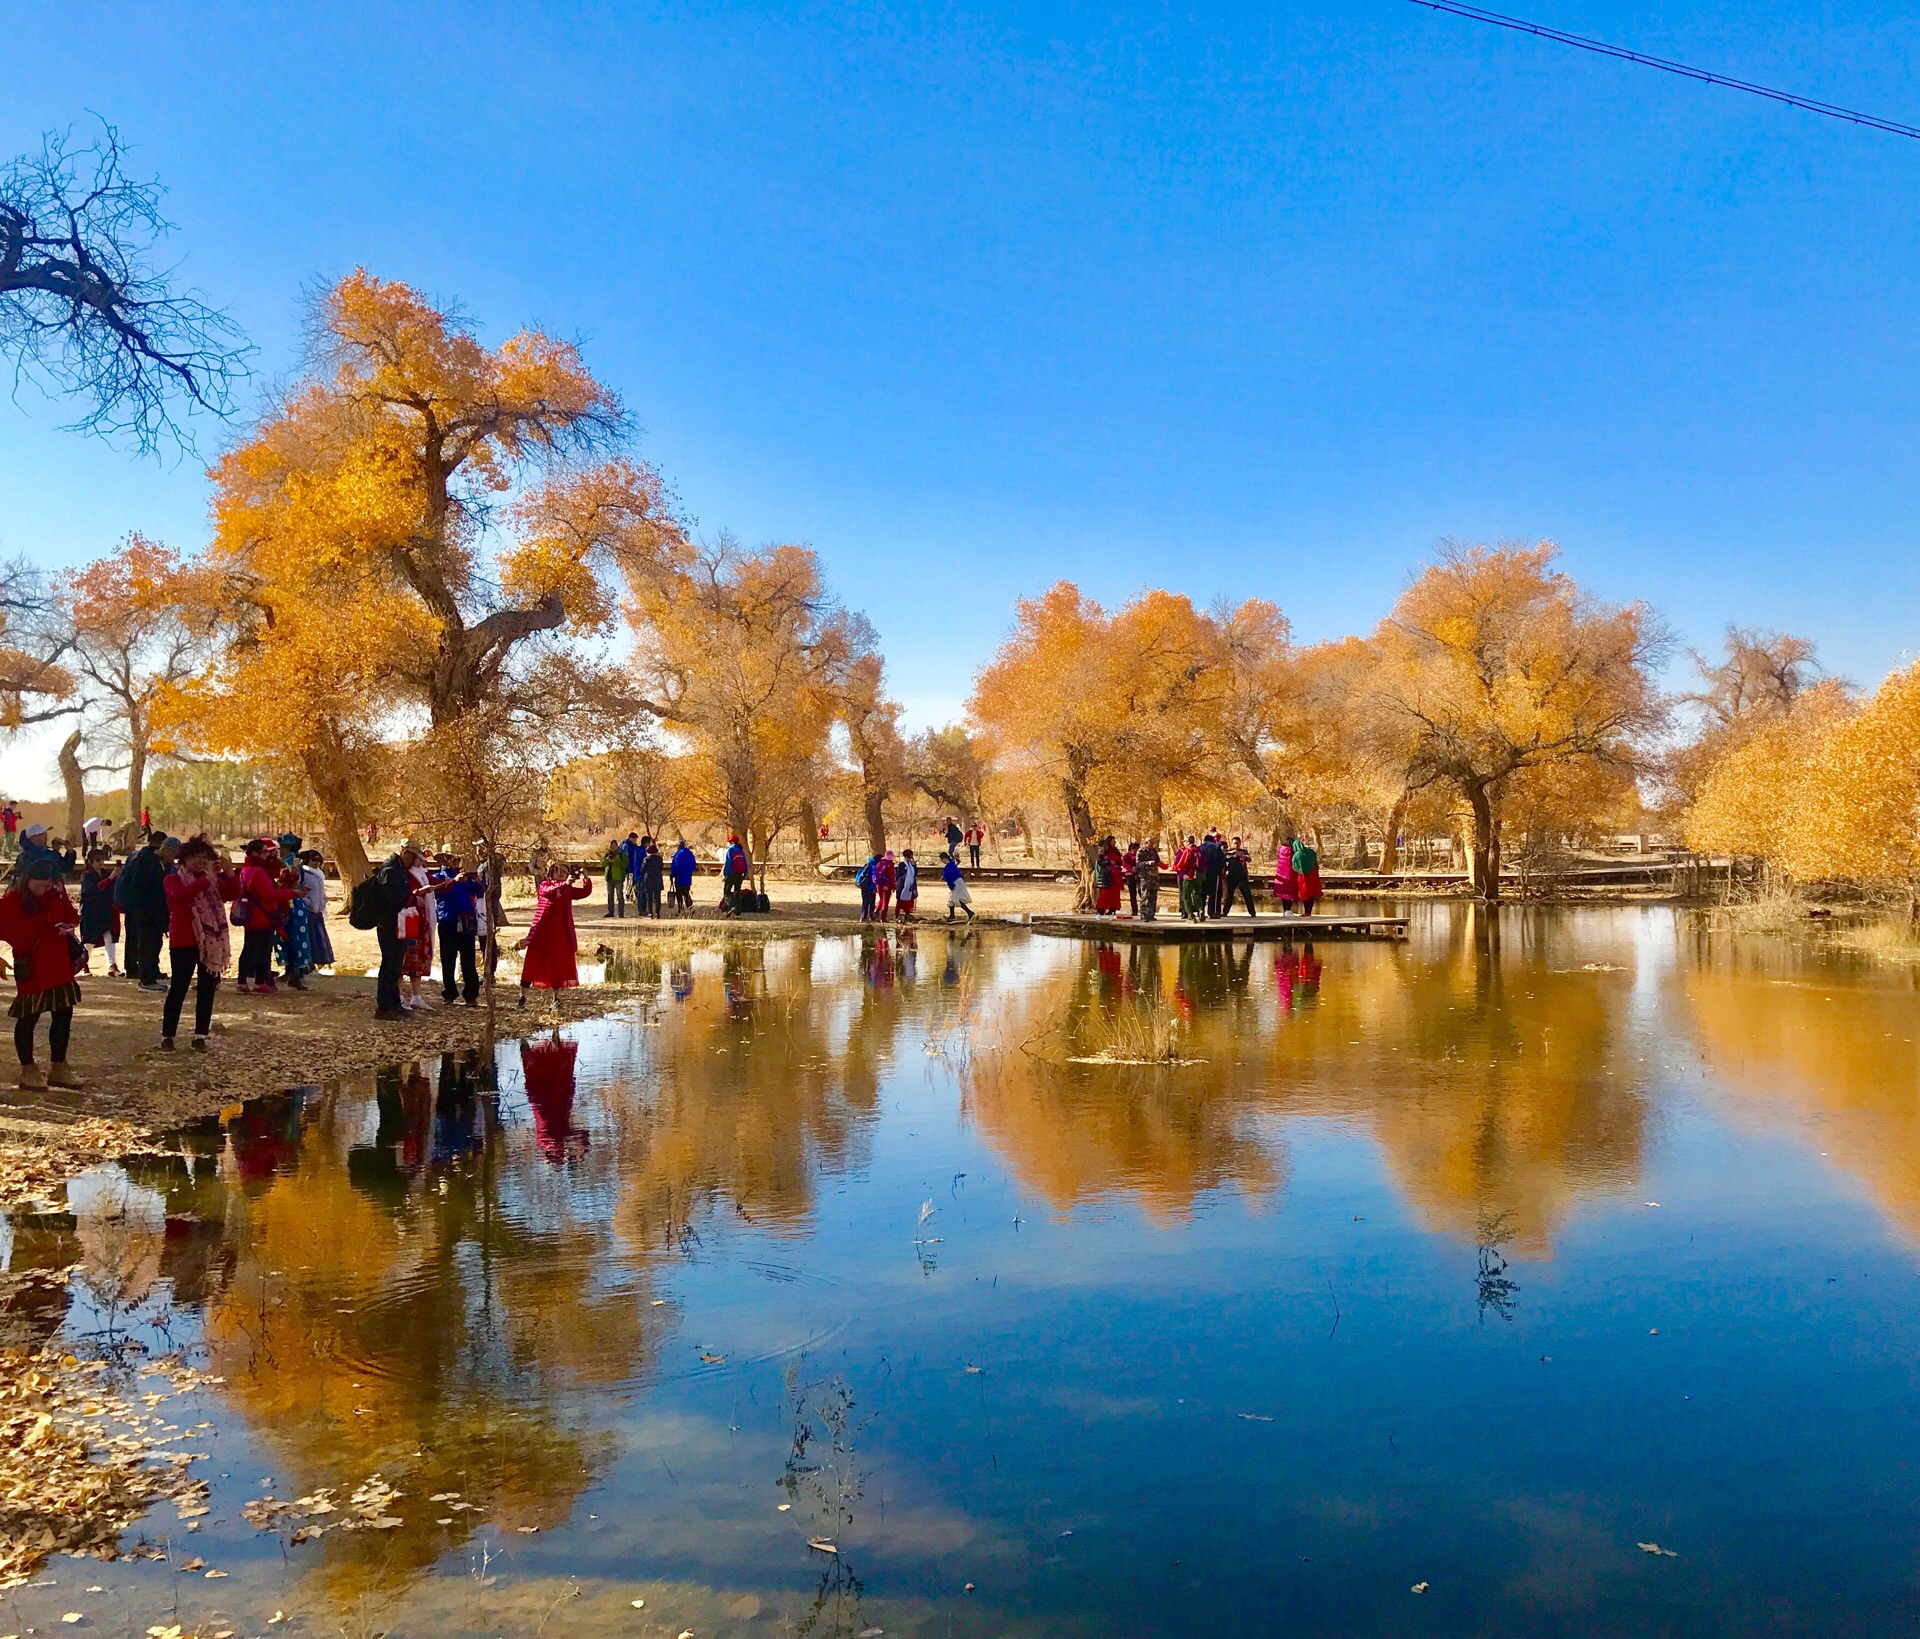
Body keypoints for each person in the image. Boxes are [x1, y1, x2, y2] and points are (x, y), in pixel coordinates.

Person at [0, 855, 84, 1089]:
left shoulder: (55, 895)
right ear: (27, 880)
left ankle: (58, 1066)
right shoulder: (11, 901)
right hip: (32, 967)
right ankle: (28, 1069)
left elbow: (71, 915)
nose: (41, 890)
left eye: (46, 886)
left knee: (63, 1013)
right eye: (37, 885)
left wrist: (67, 926)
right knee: (28, 1017)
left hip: (58, 963)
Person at [160, 837, 232, 1052]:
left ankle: (200, 1035)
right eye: (197, 858)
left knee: (207, 989)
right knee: (179, 988)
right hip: (184, 940)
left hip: (210, 943)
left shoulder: (212, 880)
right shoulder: (173, 879)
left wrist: (229, 874)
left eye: (205, 858)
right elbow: (180, 897)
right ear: (185, 859)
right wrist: (206, 880)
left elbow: (232, 894)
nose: (201, 862)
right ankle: (168, 1035)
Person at [517, 864, 593, 1005]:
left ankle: (556, 998)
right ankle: (522, 996)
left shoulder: (568, 889)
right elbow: (548, 891)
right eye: (559, 872)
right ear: (551, 874)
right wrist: (564, 883)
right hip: (541, 932)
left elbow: (584, 893)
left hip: (561, 933)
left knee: (559, 965)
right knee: (532, 964)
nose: (562, 874)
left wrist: (586, 878)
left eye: (565, 872)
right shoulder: (545, 885)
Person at [234, 838, 298, 994]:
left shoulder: (245, 869)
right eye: (264, 852)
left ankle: (242, 981)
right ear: (255, 853)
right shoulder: (258, 871)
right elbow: (269, 893)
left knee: (248, 948)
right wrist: (292, 893)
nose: (267, 855)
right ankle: (260, 982)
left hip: (250, 915)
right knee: (263, 950)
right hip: (262, 916)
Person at [115, 833, 177, 990]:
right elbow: (140, 886)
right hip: (143, 910)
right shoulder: (144, 860)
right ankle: (145, 979)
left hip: (154, 910)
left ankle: (151, 973)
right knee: (144, 942)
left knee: (154, 942)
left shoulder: (157, 862)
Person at [373, 842, 421, 1020]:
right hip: (388, 924)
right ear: (405, 853)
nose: (415, 861)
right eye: (413, 857)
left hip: (398, 924)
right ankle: (384, 1007)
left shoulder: (399, 869)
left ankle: (394, 1004)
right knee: (389, 965)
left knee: (395, 966)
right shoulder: (390, 870)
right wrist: (412, 897)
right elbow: (391, 898)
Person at [435, 860, 482, 1007]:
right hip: (447, 922)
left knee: (468, 960)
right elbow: (439, 893)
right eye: (451, 860)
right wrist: (454, 882)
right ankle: (449, 993)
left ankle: (471, 994)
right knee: (448, 960)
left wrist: (478, 881)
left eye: (456, 860)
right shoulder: (438, 877)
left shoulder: (466, 879)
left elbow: (480, 892)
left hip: (466, 922)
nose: (455, 863)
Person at [79, 849, 122, 976]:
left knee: (109, 936)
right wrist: (111, 878)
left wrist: (116, 877)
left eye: (102, 859)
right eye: (97, 859)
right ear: (90, 862)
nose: (101, 862)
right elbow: (94, 889)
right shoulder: (87, 875)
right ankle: (83, 963)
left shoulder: (104, 873)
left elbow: (112, 888)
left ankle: (112, 965)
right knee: (89, 940)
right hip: (91, 911)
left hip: (105, 909)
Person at [298, 850, 334, 970]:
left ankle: (316, 962)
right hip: (307, 911)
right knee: (309, 939)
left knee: (318, 939)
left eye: (319, 860)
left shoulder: (319, 875)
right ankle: (307, 964)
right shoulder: (303, 874)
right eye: (314, 860)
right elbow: (299, 891)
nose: (317, 863)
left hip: (317, 911)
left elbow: (321, 892)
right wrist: (308, 903)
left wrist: (323, 902)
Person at [1226, 836, 1258, 917]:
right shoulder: (1229, 851)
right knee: (1229, 895)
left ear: (1240, 843)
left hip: (1242, 876)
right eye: (1234, 843)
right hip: (1231, 876)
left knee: (1247, 895)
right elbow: (1224, 858)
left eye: (1237, 843)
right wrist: (1231, 854)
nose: (1236, 845)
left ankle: (1252, 912)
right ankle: (1225, 911)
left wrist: (1242, 856)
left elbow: (1249, 859)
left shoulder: (1244, 852)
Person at [1292, 835, 1323, 916]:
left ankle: (1306, 912)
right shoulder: (1311, 852)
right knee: (1312, 892)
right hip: (1313, 874)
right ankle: (1309, 911)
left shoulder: (1296, 855)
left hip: (1303, 877)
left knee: (1305, 892)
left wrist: (1300, 871)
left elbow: (1294, 866)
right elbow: (1316, 864)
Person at [1093, 836, 1124, 915]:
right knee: (1105, 893)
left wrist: (1116, 862)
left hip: (1116, 875)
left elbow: (1121, 862)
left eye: (1115, 841)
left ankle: (1112, 909)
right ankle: (1101, 909)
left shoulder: (1116, 851)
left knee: (1114, 893)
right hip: (1107, 875)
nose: (1114, 843)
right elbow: (1100, 862)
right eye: (1113, 841)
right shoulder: (1104, 851)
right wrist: (1109, 862)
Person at [1134, 836, 1163, 922]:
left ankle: (1151, 914)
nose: (1152, 844)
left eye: (1153, 842)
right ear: (1146, 843)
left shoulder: (1153, 851)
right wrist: (1148, 863)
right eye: (1150, 842)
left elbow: (1158, 860)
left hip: (1154, 876)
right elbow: (1138, 864)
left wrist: (1161, 864)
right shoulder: (1141, 851)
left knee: (1153, 896)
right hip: (1145, 876)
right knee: (1145, 895)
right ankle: (1144, 915)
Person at [720, 834, 749, 915]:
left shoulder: (730, 850)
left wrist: (725, 873)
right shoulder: (740, 850)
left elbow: (728, 862)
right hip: (740, 874)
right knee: (737, 892)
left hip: (731, 874)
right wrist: (745, 873)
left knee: (727, 890)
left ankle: (727, 906)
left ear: (732, 842)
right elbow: (745, 863)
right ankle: (737, 911)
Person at [942, 850, 975, 922]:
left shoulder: (948, 867)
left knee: (957, 899)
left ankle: (970, 913)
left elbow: (948, 877)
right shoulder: (951, 864)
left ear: (944, 859)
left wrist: (951, 885)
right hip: (959, 881)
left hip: (956, 882)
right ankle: (952, 915)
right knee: (951, 899)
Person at [670, 838, 697, 915]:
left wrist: (672, 875)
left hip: (679, 877)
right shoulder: (690, 853)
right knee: (686, 893)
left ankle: (681, 909)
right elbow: (694, 865)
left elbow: (676, 866)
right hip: (687, 877)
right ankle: (690, 908)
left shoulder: (678, 854)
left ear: (678, 846)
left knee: (679, 894)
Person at [1274, 837, 1301, 914]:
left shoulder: (1281, 850)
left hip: (1281, 874)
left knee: (1283, 894)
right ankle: (1288, 910)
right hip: (1290, 875)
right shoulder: (1292, 852)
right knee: (1290, 893)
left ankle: (1285, 910)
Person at [603, 838, 629, 918]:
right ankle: (610, 912)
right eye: (611, 847)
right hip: (609, 878)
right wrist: (607, 860)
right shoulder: (607, 854)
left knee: (619, 896)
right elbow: (602, 864)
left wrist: (617, 861)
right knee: (610, 895)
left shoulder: (622, 854)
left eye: (614, 847)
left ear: (617, 846)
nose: (612, 849)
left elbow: (625, 865)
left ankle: (620, 913)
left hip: (618, 878)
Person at [640, 836, 665, 918]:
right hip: (657, 879)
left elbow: (642, 869)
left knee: (649, 897)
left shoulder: (646, 859)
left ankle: (650, 913)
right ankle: (658, 912)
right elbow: (661, 867)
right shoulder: (659, 859)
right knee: (657, 897)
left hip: (648, 879)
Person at [896, 849, 919, 921]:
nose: (910, 859)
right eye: (909, 858)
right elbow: (899, 875)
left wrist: (914, 866)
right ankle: (898, 914)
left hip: (910, 884)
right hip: (902, 884)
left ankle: (907, 913)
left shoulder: (911, 865)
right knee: (900, 899)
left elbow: (915, 874)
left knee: (909, 899)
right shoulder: (902, 864)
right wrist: (905, 870)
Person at [856, 851, 880, 921]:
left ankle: (863, 916)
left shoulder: (867, 864)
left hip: (863, 886)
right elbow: (873, 879)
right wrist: (874, 888)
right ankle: (871, 916)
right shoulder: (874, 867)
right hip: (870, 887)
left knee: (864, 902)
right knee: (871, 902)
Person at [872, 850, 895, 920]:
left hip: (878, 884)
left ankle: (876, 910)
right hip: (886, 884)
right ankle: (883, 917)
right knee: (886, 900)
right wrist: (893, 886)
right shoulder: (890, 865)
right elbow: (892, 876)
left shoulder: (879, 863)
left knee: (881, 899)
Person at [1123, 840, 1140, 916]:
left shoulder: (1139, 856)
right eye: (1134, 849)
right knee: (1132, 893)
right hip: (1130, 875)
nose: (1135, 851)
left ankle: (1144, 910)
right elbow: (1124, 864)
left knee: (1141, 892)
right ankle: (1134, 910)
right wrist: (1131, 868)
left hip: (1139, 875)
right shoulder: (1126, 856)